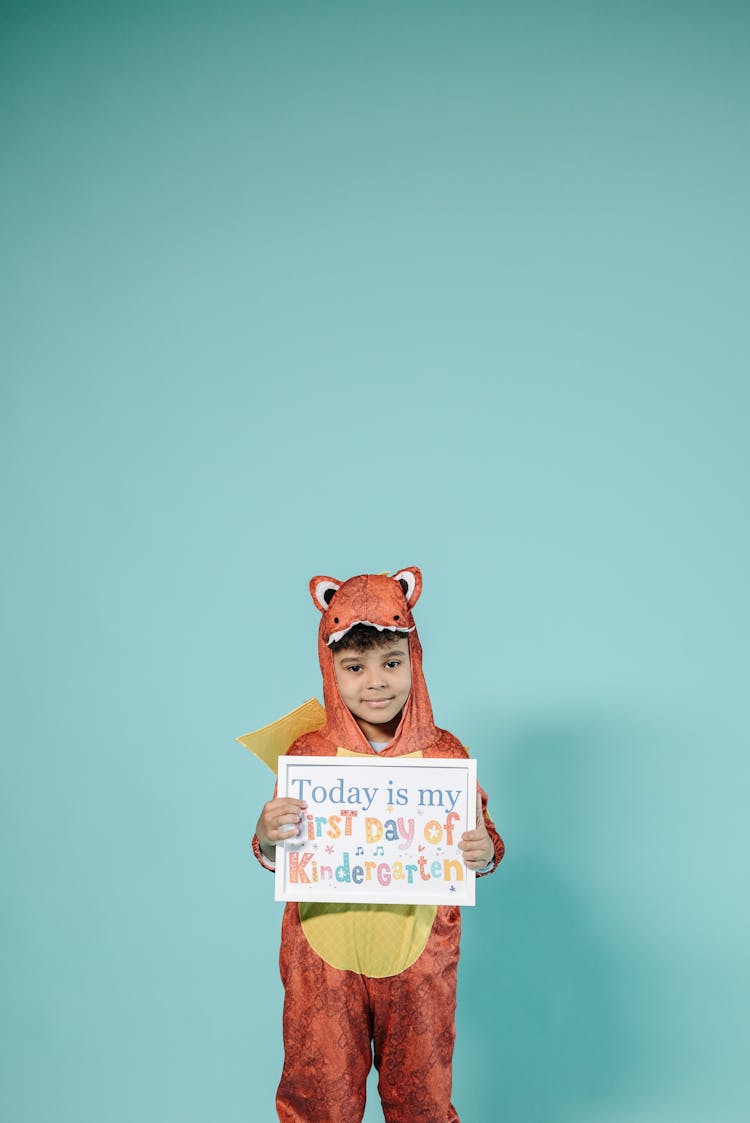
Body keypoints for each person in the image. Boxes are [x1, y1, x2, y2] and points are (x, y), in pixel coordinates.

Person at [253, 567, 504, 1122]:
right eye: (354, 667)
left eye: (392, 664)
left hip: (418, 961)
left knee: (421, 1097)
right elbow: (278, 850)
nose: (376, 682)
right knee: (318, 1094)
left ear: (414, 662)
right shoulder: (309, 755)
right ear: (331, 670)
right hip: (322, 959)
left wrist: (485, 852)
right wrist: (268, 834)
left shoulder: (445, 756)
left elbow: (483, 836)